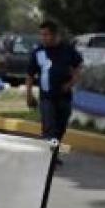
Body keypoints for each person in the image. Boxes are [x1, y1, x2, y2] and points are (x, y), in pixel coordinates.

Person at [26, 20, 83, 148]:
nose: (43, 38)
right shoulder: (38, 52)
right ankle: (47, 157)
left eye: (46, 35)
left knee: (60, 128)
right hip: (47, 97)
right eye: (41, 35)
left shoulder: (67, 49)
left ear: (55, 35)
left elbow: (78, 67)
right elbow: (30, 75)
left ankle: (54, 155)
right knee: (49, 128)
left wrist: (70, 83)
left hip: (64, 96)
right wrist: (29, 95)